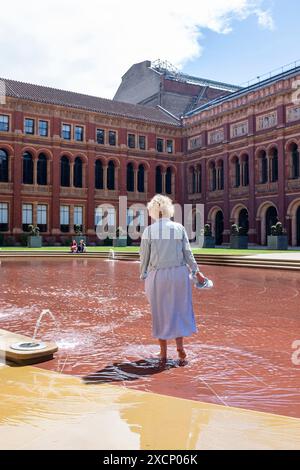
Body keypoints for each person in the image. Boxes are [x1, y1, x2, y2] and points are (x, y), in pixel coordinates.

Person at [140, 194, 207, 362]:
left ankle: (163, 352)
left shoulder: (149, 230)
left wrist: (143, 274)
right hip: (179, 274)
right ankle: (180, 348)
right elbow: (187, 253)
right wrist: (197, 271)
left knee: (160, 312)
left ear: (153, 211)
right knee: (178, 309)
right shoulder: (178, 228)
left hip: (158, 275)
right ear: (169, 209)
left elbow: (144, 256)